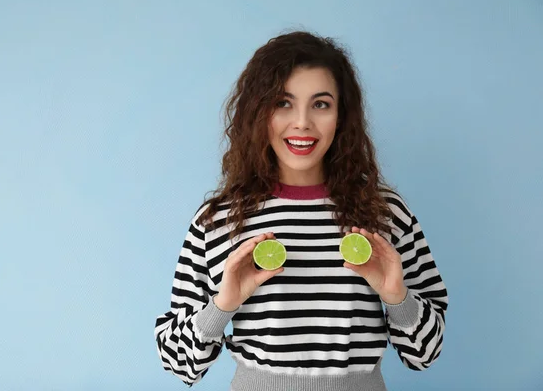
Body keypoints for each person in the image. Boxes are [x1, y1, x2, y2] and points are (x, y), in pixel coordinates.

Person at [154, 30, 448, 390]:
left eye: (321, 104)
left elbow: (425, 353)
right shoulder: (219, 221)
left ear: (342, 116)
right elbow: (177, 362)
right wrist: (224, 304)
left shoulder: (385, 214)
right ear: (258, 112)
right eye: (283, 103)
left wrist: (397, 298)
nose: (302, 123)